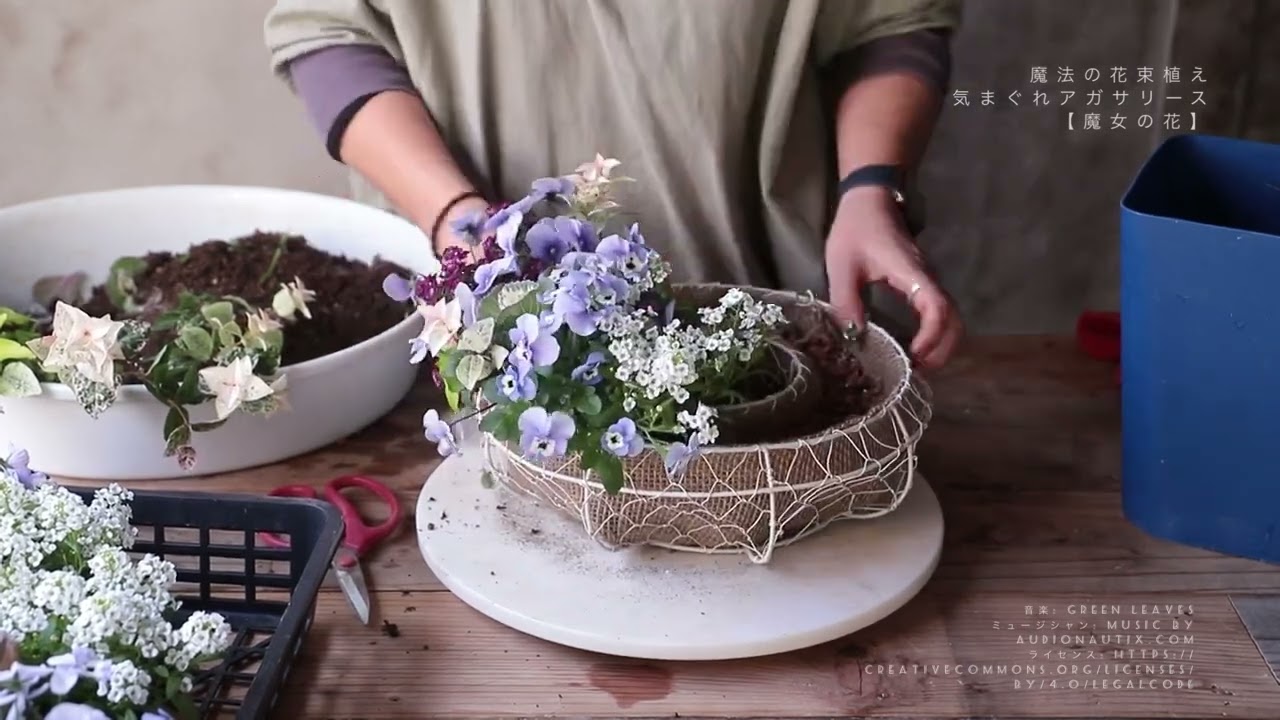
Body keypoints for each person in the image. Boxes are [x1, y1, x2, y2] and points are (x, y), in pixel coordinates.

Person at [262, 0, 964, 368]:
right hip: (485, 348)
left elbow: (890, 24)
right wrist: (454, 218)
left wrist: (872, 190)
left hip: (786, 324)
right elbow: (328, 31)